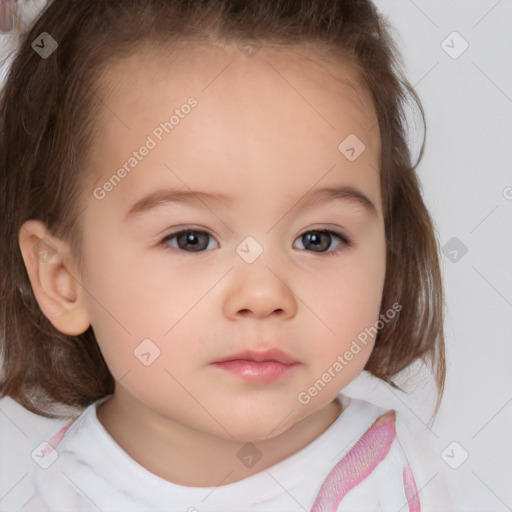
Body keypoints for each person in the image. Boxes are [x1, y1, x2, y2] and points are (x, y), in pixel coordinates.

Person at [0, 0, 454, 510]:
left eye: (318, 239)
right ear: (64, 278)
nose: (263, 296)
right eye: (190, 239)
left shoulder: (400, 472)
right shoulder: (68, 496)